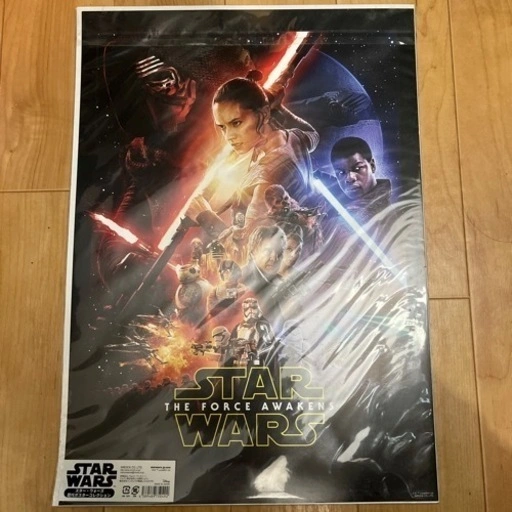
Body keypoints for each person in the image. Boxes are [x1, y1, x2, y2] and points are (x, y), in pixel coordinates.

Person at [190, 71, 320, 240]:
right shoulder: (292, 138)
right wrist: (278, 108)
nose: (229, 136)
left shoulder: (268, 176)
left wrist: (205, 216)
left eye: (236, 123)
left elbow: (247, 246)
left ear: (264, 114)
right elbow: (313, 135)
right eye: (223, 127)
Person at [329, 136, 391, 224]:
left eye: (357, 168)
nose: (350, 178)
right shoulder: (340, 209)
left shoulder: (390, 208)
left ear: (372, 166)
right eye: (341, 173)